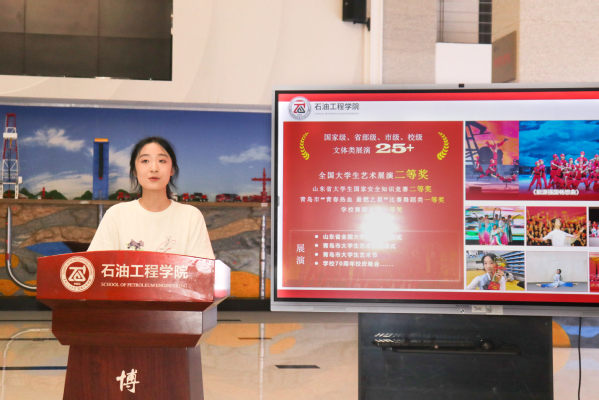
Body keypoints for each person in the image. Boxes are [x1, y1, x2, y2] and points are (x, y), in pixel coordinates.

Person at [88, 136, 214, 259]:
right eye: (145, 161)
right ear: (135, 171)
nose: (154, 168)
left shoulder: (191, 216)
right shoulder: (116, 215)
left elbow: (204, 270)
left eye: (162, 161)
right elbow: (95, 266)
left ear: (172, 169)